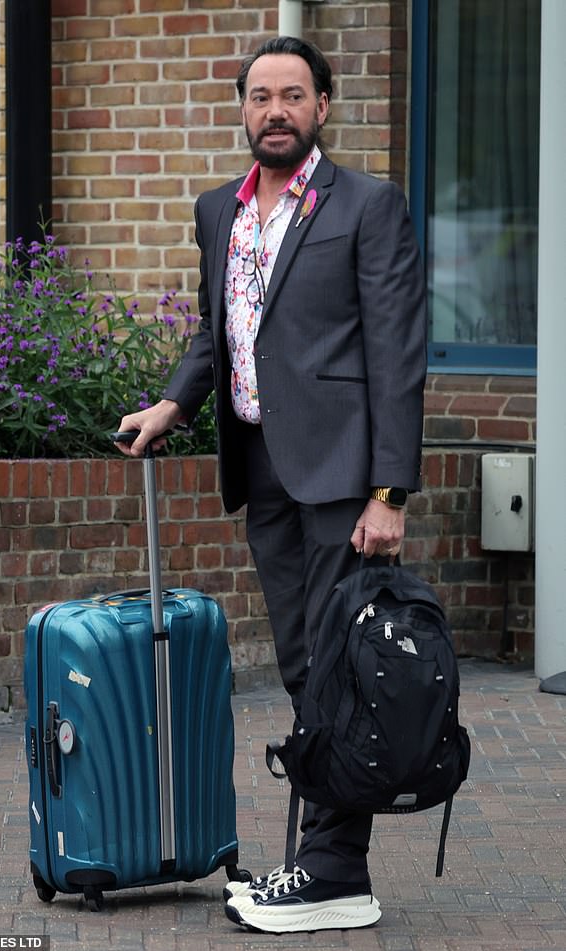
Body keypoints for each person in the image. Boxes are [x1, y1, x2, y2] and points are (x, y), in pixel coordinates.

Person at [116, 36, 427, 935]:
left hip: (342, 480)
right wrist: (171, 404)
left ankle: (333, 871)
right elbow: (221, 335)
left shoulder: (369, 205)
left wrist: (389, 492)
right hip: (264, 471)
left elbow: (396, 357)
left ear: (324, 106)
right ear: (243, 109)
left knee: (341, 666)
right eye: (260, 96)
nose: (276, 110)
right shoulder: (221, 210)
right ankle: (322, 866)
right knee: (302, 664)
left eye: (294, 94)